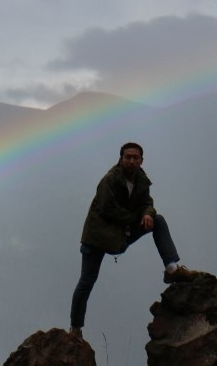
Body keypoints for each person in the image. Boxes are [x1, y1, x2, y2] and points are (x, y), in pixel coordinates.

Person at [69, 142, 195, 336]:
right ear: (120, 159)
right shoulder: (109, 181)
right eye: (127, 157)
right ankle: (75, 328)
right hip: (97, 237)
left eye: (135, 157)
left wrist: (147, 214)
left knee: (157, 220)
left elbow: (147, 203)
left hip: (121, 232)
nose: (131, 161)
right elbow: (107, 210)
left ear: (141, 160)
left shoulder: (141, 180)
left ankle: (172, 269)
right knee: (87, 280)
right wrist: (137, 218)